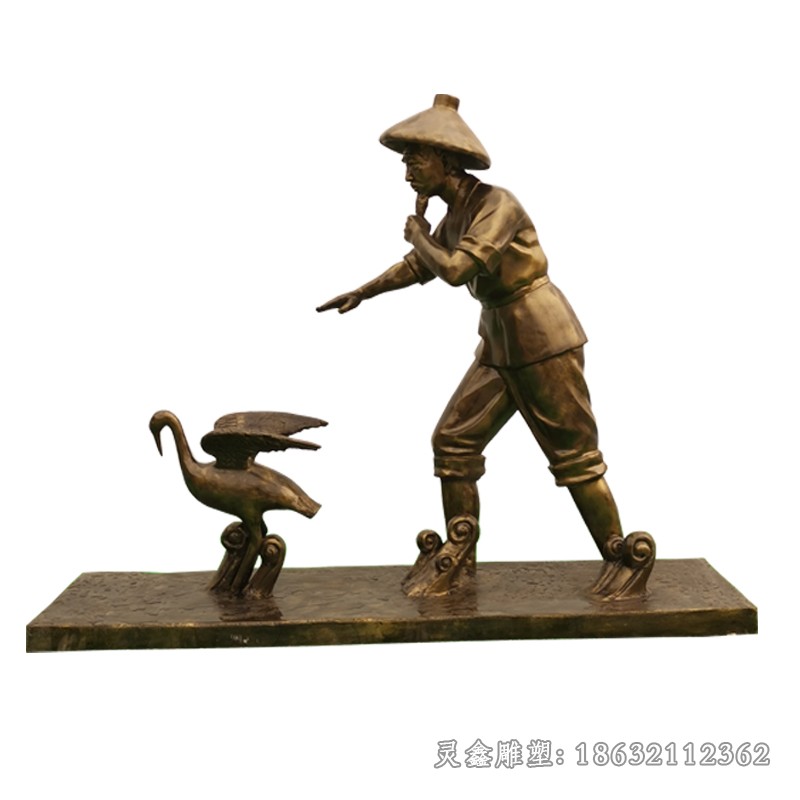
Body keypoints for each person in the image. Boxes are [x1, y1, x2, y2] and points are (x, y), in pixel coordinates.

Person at [318, 94, 627, 569]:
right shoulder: (458, 212)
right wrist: (363, 291)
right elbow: (418, 267)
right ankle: (459, 558)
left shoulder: (496, 204)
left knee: (575, 456)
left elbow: (456, 269)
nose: (407, 173)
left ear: (446, 160)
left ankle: (621, 557)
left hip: (542, 339)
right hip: (501, 343)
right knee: (453, 441)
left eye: (415, 161)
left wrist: (419, 234)